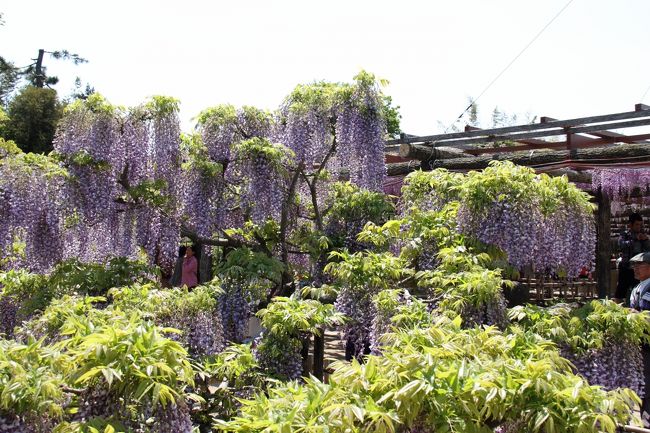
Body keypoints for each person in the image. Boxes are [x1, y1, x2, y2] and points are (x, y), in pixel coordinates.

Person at [629, 252, 650, 417]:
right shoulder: (638, 286)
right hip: (639, 343)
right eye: (634, 265)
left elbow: (645, 314)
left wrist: (634, 314)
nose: (635, 268)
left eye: (639, 265)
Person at [616, 213, 650, 300]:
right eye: (637, 224)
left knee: (638, 290)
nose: (639, 227)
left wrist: (645, 240)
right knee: (621, 290)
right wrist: (634, 240)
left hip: (638, 269)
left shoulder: (642, 234)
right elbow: (620, 245)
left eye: (640, 224)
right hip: (626, 267)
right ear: (630, 225)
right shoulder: (625, 234)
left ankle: (637, 309)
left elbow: (648, 249)